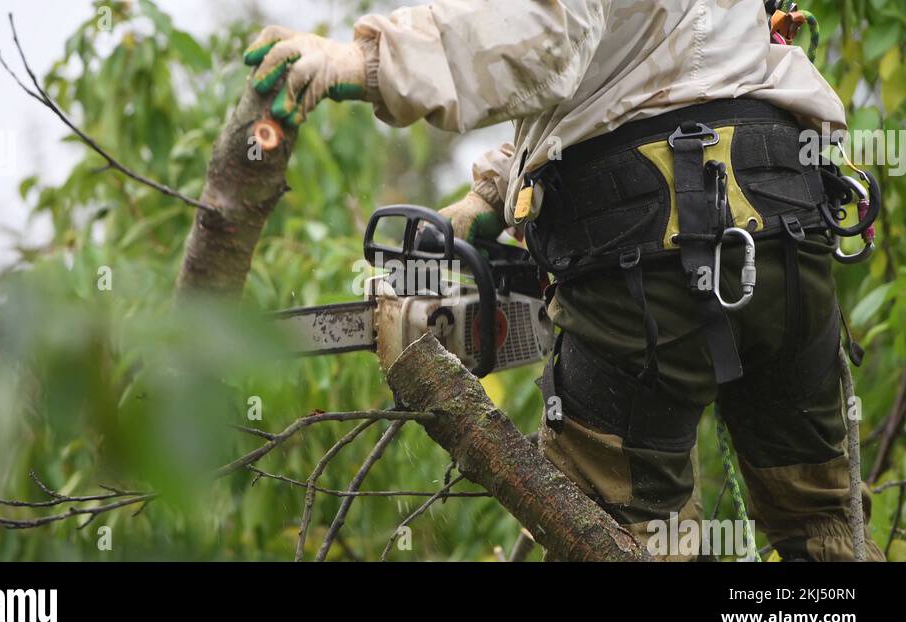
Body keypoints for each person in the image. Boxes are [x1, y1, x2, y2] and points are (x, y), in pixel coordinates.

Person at [243, 0, 885, 561]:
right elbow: (652, 59)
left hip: (644, 262)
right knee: (827, 524)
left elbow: (548, 32)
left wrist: (369, 62)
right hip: (787, 234)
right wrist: (497, 190)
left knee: (628, 538)